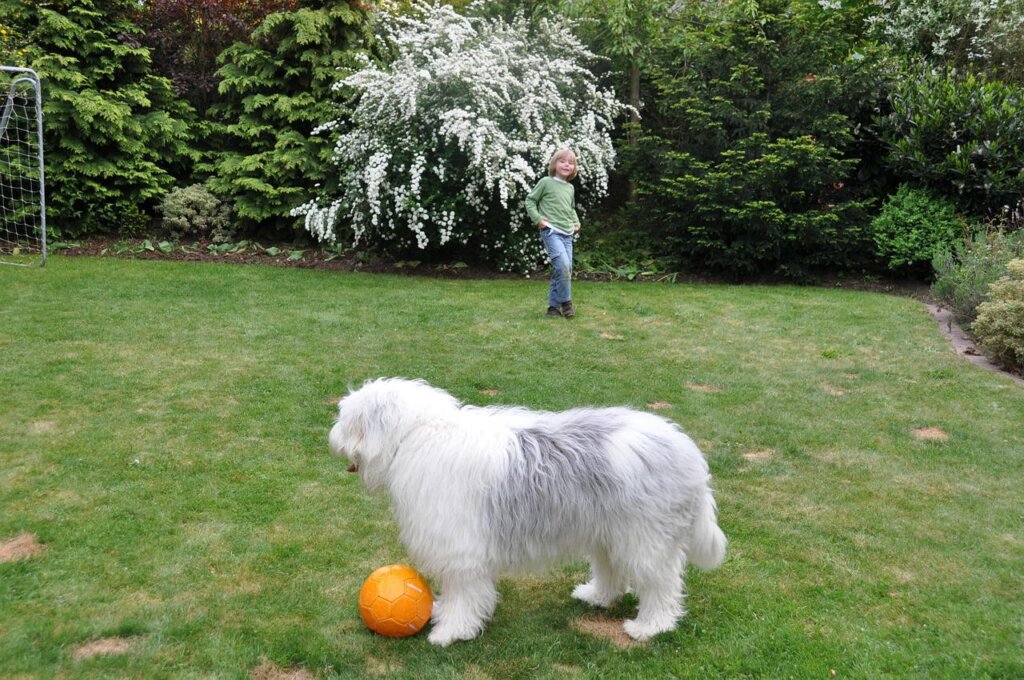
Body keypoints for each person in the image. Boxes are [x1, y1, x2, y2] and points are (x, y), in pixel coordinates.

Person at [525, 148, 580, 318]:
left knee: (565, 269)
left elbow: (570, 208)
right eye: (562, 161)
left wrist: (576, 221)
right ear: (554, 164)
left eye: (570, 163)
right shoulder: (546, 182)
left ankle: (553, 308)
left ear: (574, 168)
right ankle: (567, 303)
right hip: (551, 231)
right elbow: (530, 200)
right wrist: (538, 219)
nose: (566, 165)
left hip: (567, 233)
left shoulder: (570, 188)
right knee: (563, 265)